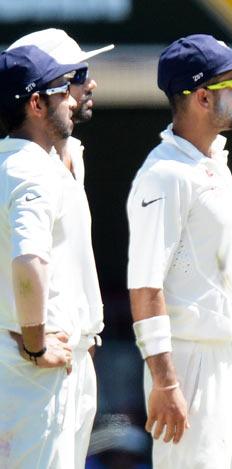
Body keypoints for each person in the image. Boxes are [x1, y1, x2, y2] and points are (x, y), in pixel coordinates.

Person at [126, 34, 232, 469]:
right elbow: (145, 286)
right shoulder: (164, 174)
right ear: (203, 97)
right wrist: (165, 382)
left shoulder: (211, 163)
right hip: (191, 363)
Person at [8, 28, 114, 468]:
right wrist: (33, 339)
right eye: (77, 74)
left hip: (70, 358)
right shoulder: (25, 164)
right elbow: (26, 258)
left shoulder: (66, 153)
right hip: (34, 360)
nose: (88, 85)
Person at [0, 45, 87, 468]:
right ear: (36, 103)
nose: (71, 98)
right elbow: (28, 260)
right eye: (60, 91)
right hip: (28, 369)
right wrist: (36, 345)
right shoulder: (32, 171)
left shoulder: (6, 164)